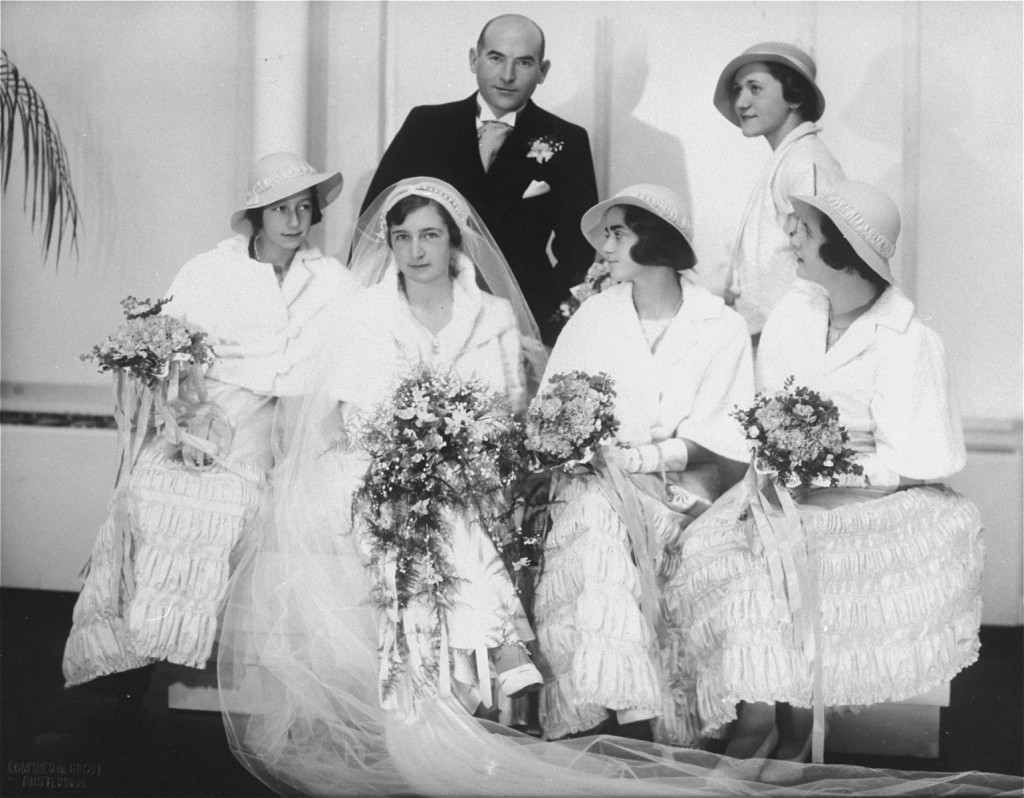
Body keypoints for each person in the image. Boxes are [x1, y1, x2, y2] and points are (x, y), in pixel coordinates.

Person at [673, 180, 984, 768]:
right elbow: (768, 412)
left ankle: (794, 735)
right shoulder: (796, 310)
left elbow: (919, 460)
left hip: (872, 501)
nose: (789, 237)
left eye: (804, 230)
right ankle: (760, 715)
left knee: (801, 559)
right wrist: (784, 463)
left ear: (843, 250)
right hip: (787, 488)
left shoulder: (909, 341)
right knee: (731, 557)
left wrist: (829, 469)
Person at [62, 152, 350, 694]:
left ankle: (169, 654)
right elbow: (175, 357)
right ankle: (125, 665)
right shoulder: (210, 269)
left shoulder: (332, 279)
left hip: (286, 415)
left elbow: (348, 356)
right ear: (258, 214)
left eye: (304, 208)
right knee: (155, 487)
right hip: (211, 405)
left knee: (227, 499)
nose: (293, 221)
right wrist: (187, 421)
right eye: (280, 208)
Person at [531, 184, 754, 744]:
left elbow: (721, 430)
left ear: (654, 242)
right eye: (607, 234)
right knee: (596, 518)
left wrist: (647, 459)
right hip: (601, 479)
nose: (605, 247)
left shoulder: (719, 325)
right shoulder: (593, 317)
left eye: (618, 233)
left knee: (618, 517)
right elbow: (552, 410)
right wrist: (594, 452)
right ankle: (619, 701)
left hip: (687, 486)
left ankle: (639, 707)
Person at [361, 14, 599, 346]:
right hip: (423, 313)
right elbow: (373, 224)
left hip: (519, 321)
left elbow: (579, 250)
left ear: (542, 71)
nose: (507, 75)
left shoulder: (566, 140)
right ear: (474, 59)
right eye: (496, 57)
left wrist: (546, 321)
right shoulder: (426, 125)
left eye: (524, 62)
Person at [715, 42, 845, 339]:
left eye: (755, 89)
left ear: (795, 96)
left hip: (796, 335)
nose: (741, 103)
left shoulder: (806, 161)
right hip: (769, 333)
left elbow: (824, 262)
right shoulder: (787, 159)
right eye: (738, 90)